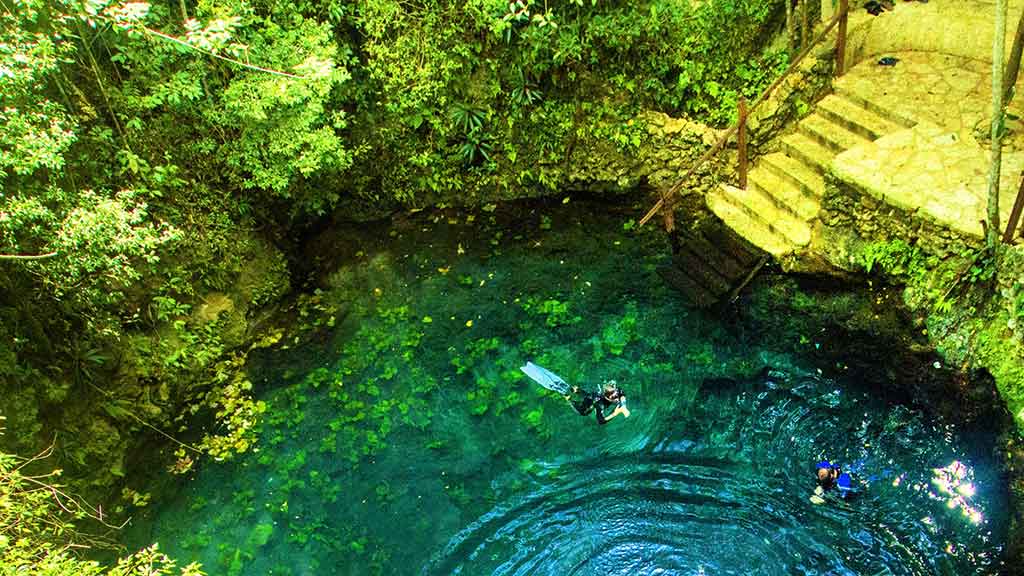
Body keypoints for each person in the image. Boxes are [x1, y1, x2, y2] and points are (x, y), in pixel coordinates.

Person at [564, 380, 630, 425]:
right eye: (613, 397)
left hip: (594, 394)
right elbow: (600, 421)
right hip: (590, 403)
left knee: (589, 395)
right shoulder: (600, 404)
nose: (616, 399)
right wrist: (615, 414)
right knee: (584, 412)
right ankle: (569, 398)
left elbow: (622, 394)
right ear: (606, 396)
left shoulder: (616, 391)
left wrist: (623, 405)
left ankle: (577, 390)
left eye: (615, 395)